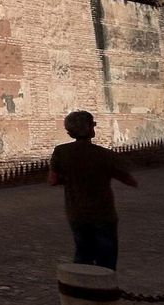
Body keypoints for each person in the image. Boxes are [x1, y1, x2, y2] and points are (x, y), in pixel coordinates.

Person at [48, 110, 138, 269]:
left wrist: (70, 178)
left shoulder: (61, 152)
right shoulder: (104, 154)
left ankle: (82, 289)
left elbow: (52, 180)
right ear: (90, 129)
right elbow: (128, 179)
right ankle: (104, 290)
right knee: (107, 258)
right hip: (103, 213)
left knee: (83, 254)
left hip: (76, 212)